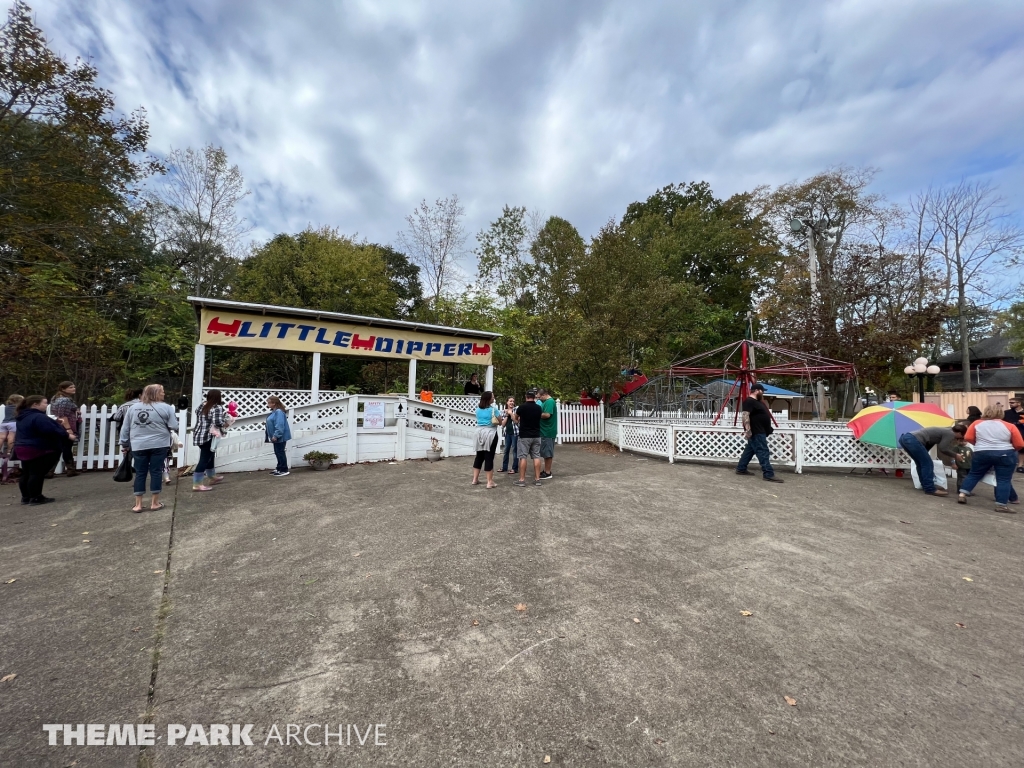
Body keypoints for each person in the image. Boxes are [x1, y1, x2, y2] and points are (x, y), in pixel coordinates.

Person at [120, 384, 178, 513]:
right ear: (155, 393)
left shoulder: (133, 408)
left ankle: (138, 505)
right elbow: (174, 425)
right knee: (156, 471)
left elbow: (125, 428)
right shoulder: (166, 407)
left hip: (138, 445)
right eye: (162, 392)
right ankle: (155, 503)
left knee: (140, 472)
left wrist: (124, 444)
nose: (164, 394)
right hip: (159, 444)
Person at [957, 405, 1023, 512]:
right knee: (1003, 480)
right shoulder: (1009, 425)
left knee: (974, 474)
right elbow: (1019, 444)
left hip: (982, 452)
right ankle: (1001, 505)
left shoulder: (976, 423)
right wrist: (1011, 449)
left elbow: (968, 437)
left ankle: (962, 494)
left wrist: (978, 445)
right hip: (1005, 453)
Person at [14, 395, 74, 504]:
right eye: (45, 403)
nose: (47, 405)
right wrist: (67, 435)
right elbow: (50, 430)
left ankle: (26, 497)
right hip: (37, 448)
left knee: (27, 473)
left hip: (22, 447)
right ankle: (36, 497)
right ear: (35, 404)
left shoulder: (22, 416)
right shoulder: (39, 417)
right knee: (36, 473)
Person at [736, 383, 783, 483]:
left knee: (749, 451)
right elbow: (745, 416)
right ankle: (768, 474)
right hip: (756, 431)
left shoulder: (757, 402)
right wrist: (748, 431)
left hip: (760, 430)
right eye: (762, 391)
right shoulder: (749, 401)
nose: (763, 393)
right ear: (757, 391)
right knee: (763, 452)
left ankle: (741, 468)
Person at [898, 426, 961, 497]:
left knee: (921, 463)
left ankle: (925, 485)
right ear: (959, 433)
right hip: (913, 440)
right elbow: (943, 448)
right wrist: (955, 455)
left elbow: (928, 445)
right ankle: (930, 489)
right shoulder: (950, 433)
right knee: (927, 464)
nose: (956, 439)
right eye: (960, 437)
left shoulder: (941, 432)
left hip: (905, 438)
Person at [192, 390, 229, 492]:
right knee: (204, 459)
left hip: (199, 435)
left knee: (210, 456)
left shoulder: (202, 405)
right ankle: (197, 484)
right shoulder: (217, 407)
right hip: (209, 436)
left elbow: (198, 414)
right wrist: (226, 423)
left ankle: (212, 477)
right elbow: (217, 422)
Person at [471, 391, 504, 488]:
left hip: (479, 433)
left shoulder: (477, 410)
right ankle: (489, 482)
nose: (493, 398)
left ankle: (475, 479)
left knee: (479, 456)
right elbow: (500, 422)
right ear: (488, 399)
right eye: (492, 397)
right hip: (490, 433)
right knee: (489, 457)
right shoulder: (493, 410)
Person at [50, 381, 81, 477]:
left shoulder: (55, 398)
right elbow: (63, 415)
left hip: (57, 425)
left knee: (58, 448)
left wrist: (76, 410)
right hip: (66, 425)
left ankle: (49, 471)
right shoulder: (65, 400)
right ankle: (70, 470)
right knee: (66, 448)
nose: (73, 389)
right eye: (70, 387)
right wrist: (68, 429)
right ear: (63, 389)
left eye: (74, 387)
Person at [513, 390, 543, 487]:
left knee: (523, 457)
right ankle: (537, 479)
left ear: (526, 397)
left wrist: (516, 417)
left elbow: (516, 419)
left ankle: (522, 480)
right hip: (536, 435)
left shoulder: (521, 407)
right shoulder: (539, 408)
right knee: (536, 456)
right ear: (534, 397)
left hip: (524, 435)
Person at [266, 396, 292, 477]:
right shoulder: (274, 412)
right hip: (276, 437)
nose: (268, 404)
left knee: (280, 452)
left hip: (280, 437)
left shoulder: (279, 412)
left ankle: (284, 470)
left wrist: (276, 435)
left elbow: (280, 425)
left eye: (269, 403)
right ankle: (279, 468)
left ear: (274, 403)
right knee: (278, 452)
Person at [538, 388, 557, 479]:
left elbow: (547, 415)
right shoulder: (546, 402)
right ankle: (546, 470)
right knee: (545, 452)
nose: (539, 399)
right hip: (544, 431)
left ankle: (548, 472)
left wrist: (536, 413)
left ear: (544, 395)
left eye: (540, 397)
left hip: (548, 431)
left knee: (548, 452)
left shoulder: (549, 402)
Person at [1002, 397, 1024, 473]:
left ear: (1019, 403)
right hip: (1009, 433)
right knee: (1009, 449)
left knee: (1022, 450)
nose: (1010, 404)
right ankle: (1007, 464)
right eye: (1010, 402)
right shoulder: (1006, 413)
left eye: (1012, 403)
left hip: (1022, 433)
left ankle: (1020, 466)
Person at [500, 396, 519, 474]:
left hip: (515, 433)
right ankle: (504, 467)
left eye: (513, 401)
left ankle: (515, 468)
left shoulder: (516, 410)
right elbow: (503, 424)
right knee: (506, 450)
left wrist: (511, 413)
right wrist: (507, 415)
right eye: (510, 401)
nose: (512, 403)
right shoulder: (503, 412)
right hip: (507, 433)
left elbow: (516, 421)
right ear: (507, 402)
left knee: (515, 451)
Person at [1, 394, 23, 460]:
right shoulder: (18, 407)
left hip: (4, 423)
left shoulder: (6, 407)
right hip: (13, 423)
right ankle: (9, 451)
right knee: (11, 437)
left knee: (1, 437)